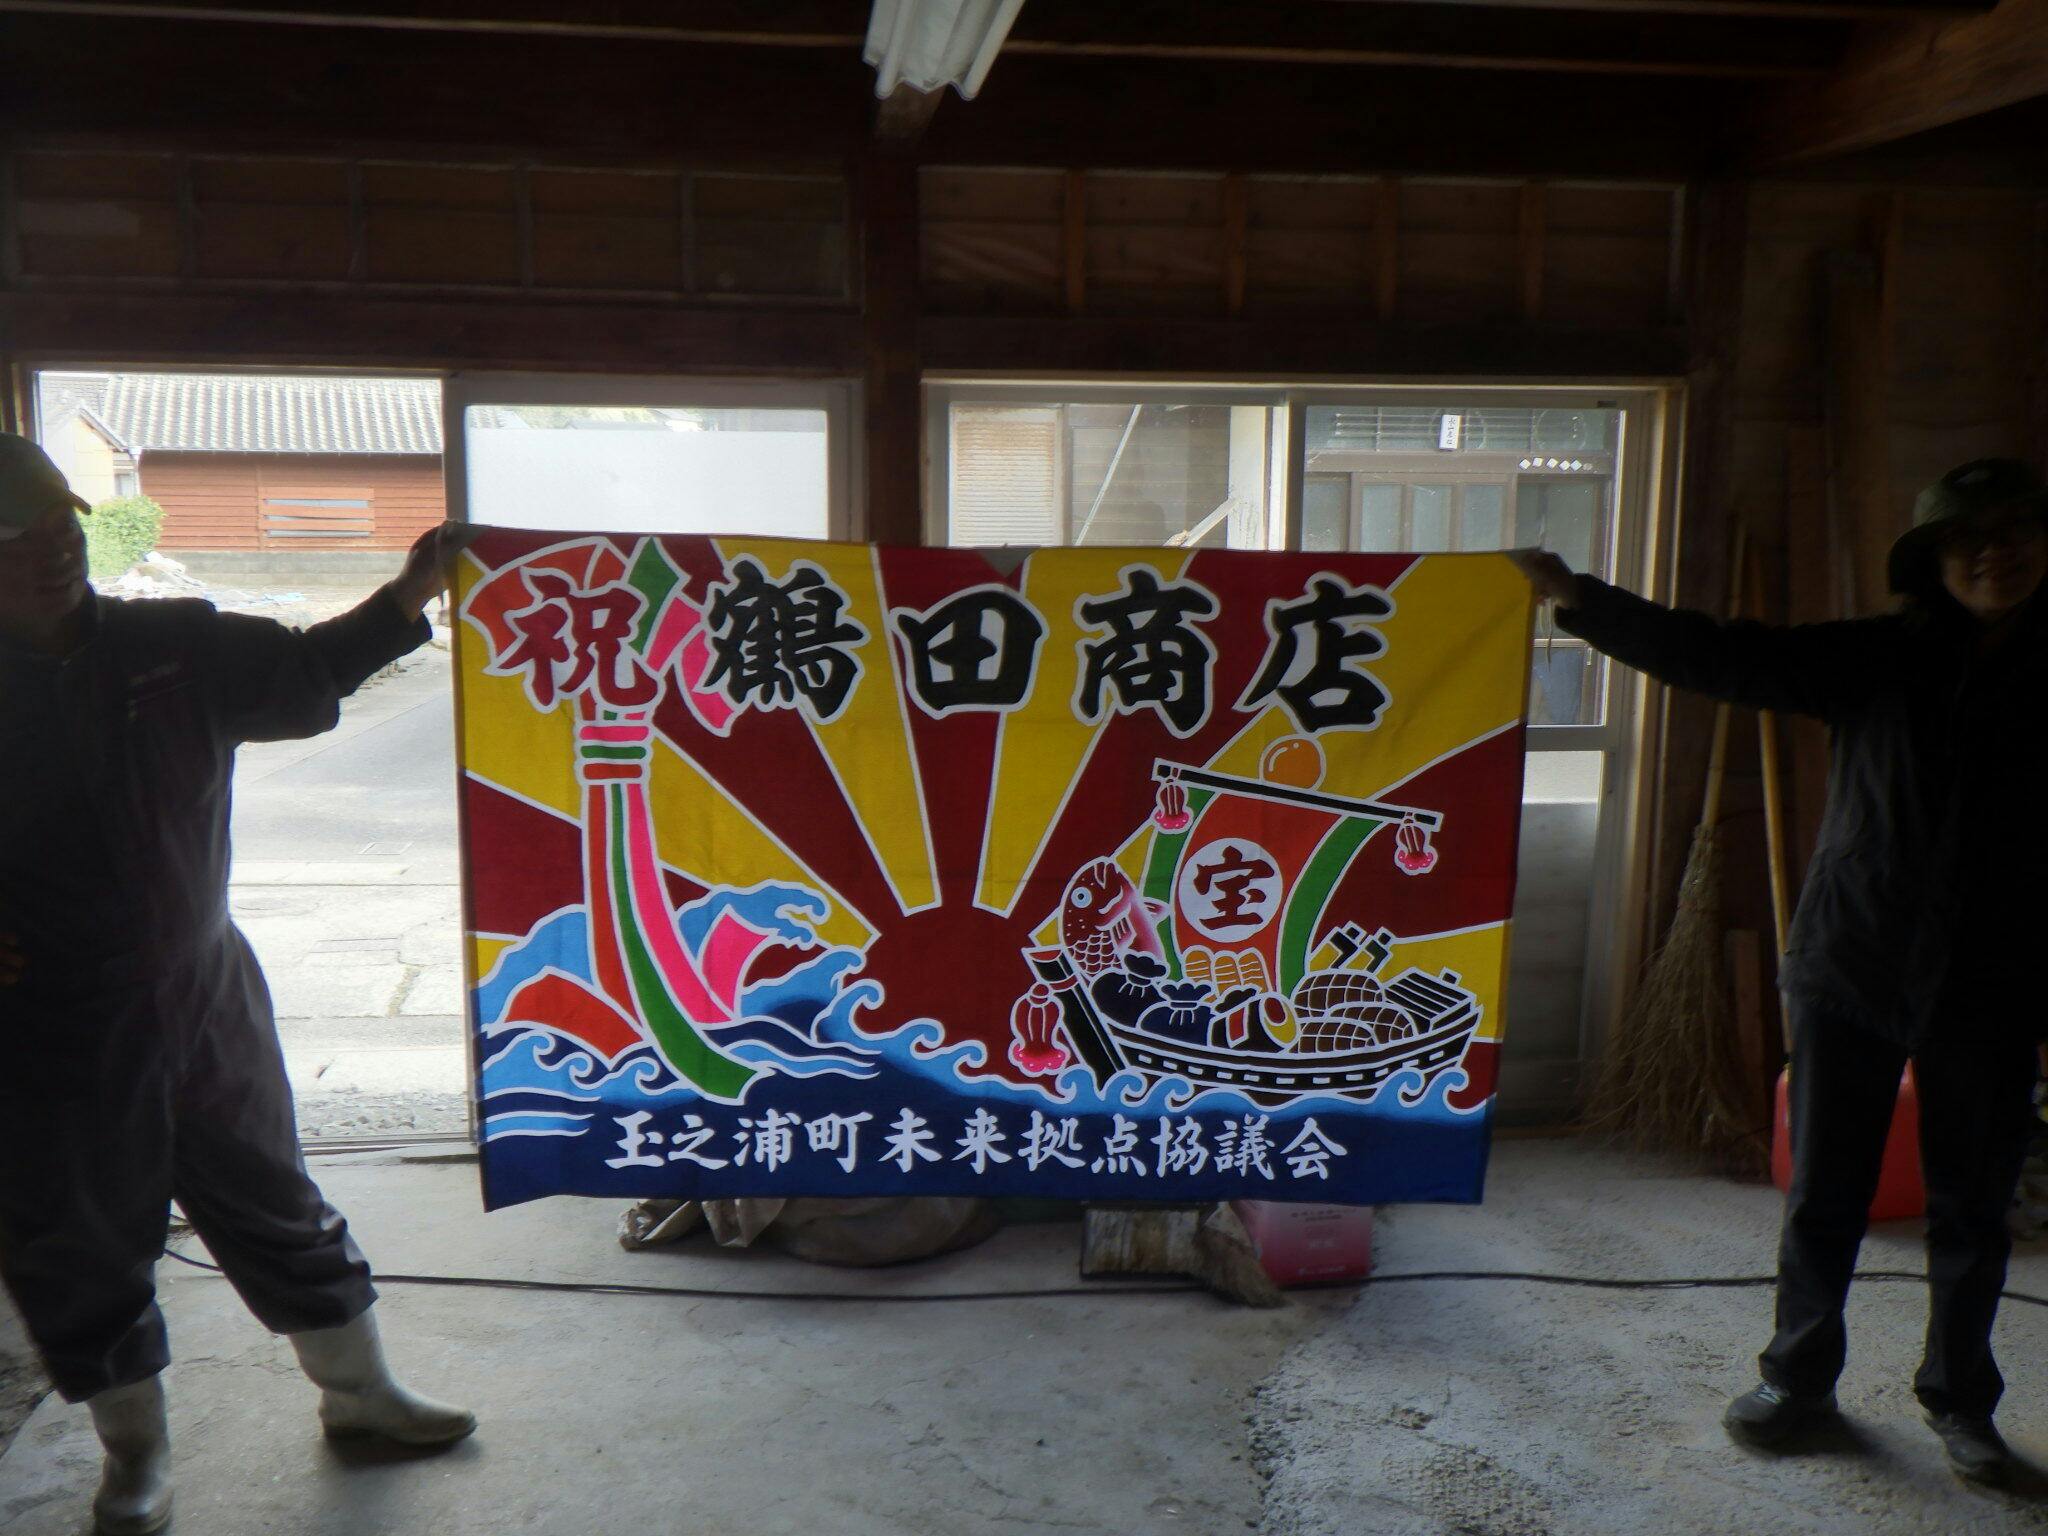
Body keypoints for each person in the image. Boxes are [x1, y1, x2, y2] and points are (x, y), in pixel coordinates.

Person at [1511, 457, 2048, 1487]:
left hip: (1993, 974)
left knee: (1971, 1205)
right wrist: (1580, 600)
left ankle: (1960, 1401)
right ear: (1931, 560)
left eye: (2015, 530)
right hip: (1850, 957)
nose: (1993, 553)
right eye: (1965, 537)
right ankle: (1796, 1379)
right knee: (1824, 1191)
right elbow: (1722, 657)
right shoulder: (1880, 657)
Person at [0, 434, 476, 1535]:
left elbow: (307, 671)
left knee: (275, 1197)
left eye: (60, 526)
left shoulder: (170, 642)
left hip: (204, 987)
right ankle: (135, 1459)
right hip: (46, 1025)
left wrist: (411, 589)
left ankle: (362, 1396)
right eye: (17, 542)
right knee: (76, 1237)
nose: (52, 553)